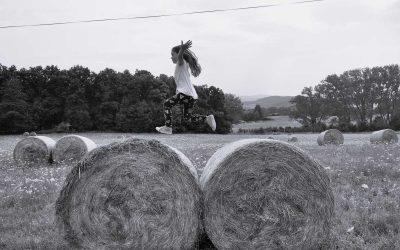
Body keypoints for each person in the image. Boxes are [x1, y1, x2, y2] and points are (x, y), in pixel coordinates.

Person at [156, 40, 216, 135]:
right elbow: (179, 57)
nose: (171, 57)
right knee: (187, 117)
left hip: (185, 94)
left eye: (172, 54)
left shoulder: (181, 63)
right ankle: (207, 118)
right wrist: (182, 49)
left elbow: (180, 57)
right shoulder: (184, 65)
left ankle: (168, 127)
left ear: (178, 54)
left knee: (167, 104)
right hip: (192, 96)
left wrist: (182, 49)